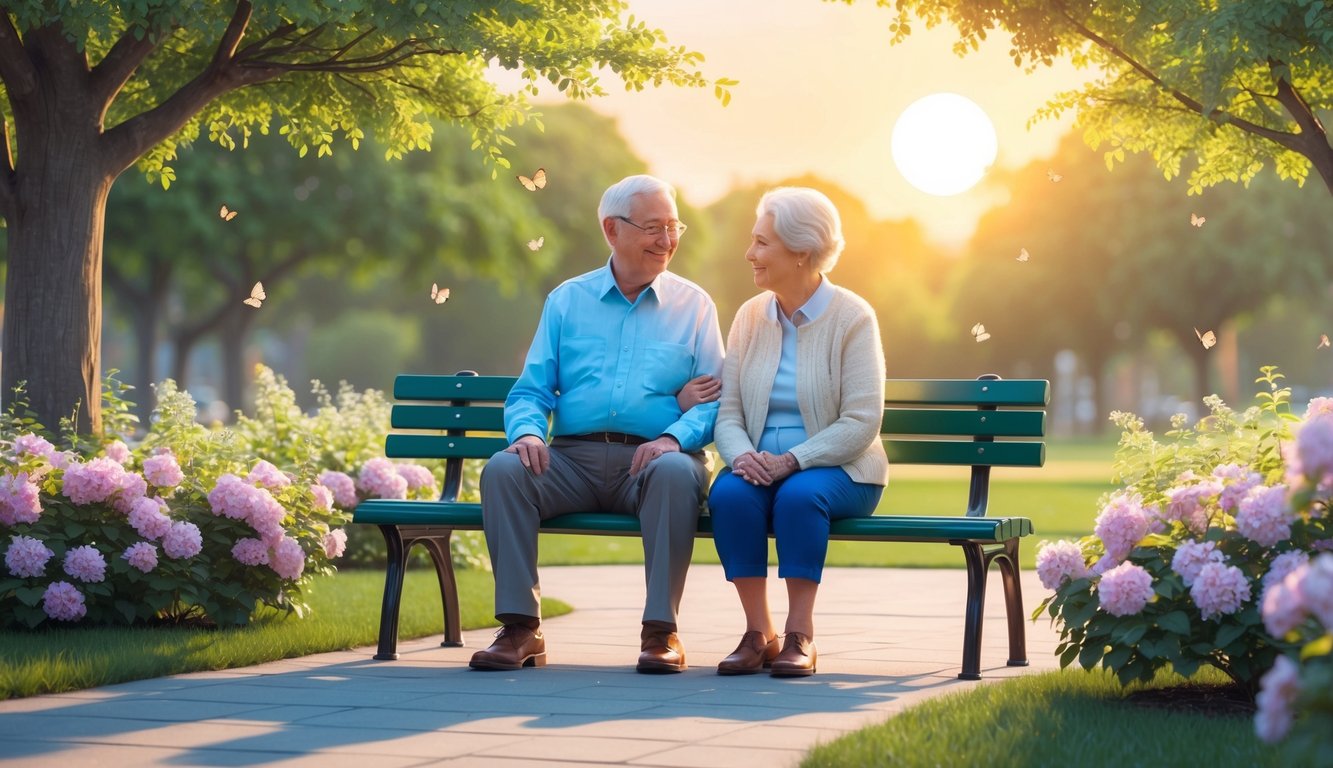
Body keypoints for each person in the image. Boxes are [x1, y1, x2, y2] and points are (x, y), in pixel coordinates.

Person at [469, 174, 725, 674]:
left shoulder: (695, 306)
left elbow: (716, 403)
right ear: (612, 229)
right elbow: (531, 391)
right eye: (653, 227)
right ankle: (522, 629)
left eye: (674, 227)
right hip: (570, 460)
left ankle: (661, 633)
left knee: (676, 473)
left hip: (656, 460)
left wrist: (674, 437)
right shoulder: (567, 300)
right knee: (504, 470)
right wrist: (525, 433)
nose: (667, 240)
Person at [708, 186, 888, 677]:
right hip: (760, 464)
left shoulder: (853, 317)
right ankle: (758, 633)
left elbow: (862, 420)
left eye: (763, 243)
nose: (750, 253)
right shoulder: (749, 317)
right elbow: (729, 414)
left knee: (799, 497)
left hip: (841, 468)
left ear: (802, 251)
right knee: (729, 496)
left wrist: (792, 461)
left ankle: (800, 634)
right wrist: (742, 457)